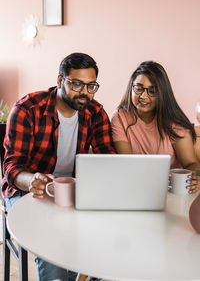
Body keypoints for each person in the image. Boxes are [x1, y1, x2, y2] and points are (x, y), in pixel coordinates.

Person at [2, 52, 116, 281]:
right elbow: (12, 166)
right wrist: (32, 180)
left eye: (91, 86)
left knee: (90, 242)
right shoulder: (28, 108)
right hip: (27, 190)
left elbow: (108, 159)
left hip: (71, 193)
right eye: (76, 84)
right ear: (59, 80)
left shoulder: (95, 113)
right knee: (51, 244)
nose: (84, 92)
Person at [111, 60, 200, 192]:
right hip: (135, 186)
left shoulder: (174, 121)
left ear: (162, 93)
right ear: (131, 88)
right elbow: (126, 163)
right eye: (138, 88)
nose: (143, 96)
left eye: (152, 91)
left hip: (170, 190)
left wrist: (198, 176)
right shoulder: (120, 117)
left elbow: (191, 163)